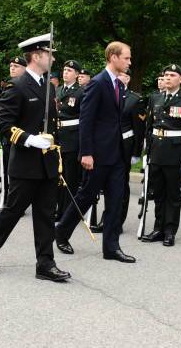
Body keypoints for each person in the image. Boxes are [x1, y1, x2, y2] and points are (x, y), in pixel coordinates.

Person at [0, 33, 71, 282]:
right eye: (50, 53)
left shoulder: (48, 86)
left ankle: (45, 264)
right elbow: (4, 125)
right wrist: (30, 139)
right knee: (12, 210)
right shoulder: (17, 86)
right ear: (38, 56)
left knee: (45, 214)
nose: (53, 58)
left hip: (48, 162)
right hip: (26, 162)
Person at [55, 41, 136, 263]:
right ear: (113, 57)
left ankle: (111, 248)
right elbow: (86, 120)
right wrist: (87, 152)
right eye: (126, 58)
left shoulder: (119, 84)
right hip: (98, 154)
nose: (130, 62)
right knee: (86, 196)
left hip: (117, 154)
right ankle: (61, 232)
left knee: (116, 200)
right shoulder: (97, 83)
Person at [141, 64, 181, 246]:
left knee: (173, 195)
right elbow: (149, 127)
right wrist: (147, 152)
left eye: (172, 75)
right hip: (157, 151)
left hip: (176, 153)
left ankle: (169, 231)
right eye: (166, 75)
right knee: (158, 193)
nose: (167, 78)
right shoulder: (155, 97)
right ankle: (158, 228)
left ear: (180, 79)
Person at [55, 60, 85, 221]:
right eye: (64, 70)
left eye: (69, 70)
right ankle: (59, 209)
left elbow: (84, 118)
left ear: (77, 74)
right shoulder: (58, 90)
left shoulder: (81, 92)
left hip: (73, 137)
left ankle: (68, 212)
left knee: (71, 178)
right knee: (58, 176)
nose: (65, 73)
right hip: (58, 136)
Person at [116, 68, 145, 228]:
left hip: (124, 145)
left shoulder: (135, 99)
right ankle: (106, 218)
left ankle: (118, 220)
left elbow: (138, 129)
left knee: (120, 183)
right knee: (108, 183)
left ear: (128, 79)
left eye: (122, 75)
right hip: (108, 145)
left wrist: (136, 152)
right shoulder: (108, 94)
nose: (119, 77)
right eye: (117, 74)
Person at [0, 56, 27, 208]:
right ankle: (9, 199)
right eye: (11, 66)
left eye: (16, 66)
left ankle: (16, 203)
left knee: (18, 172)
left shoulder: (26, 86)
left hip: (20, 135)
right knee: (7, 170)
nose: (12, 68)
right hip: (8, 134)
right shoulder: (9, 85)